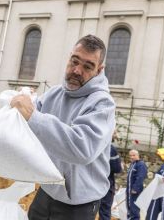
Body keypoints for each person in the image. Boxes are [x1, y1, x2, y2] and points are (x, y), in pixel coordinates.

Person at [11, 34, 116, 220]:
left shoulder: (102, 104)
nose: (76, 70)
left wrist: (32, 116)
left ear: (99, 70)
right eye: (74, 61)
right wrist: (24, 102)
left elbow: (82, 148)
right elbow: (28, 128)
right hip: (47, 192)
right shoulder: (55, 94)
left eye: (87, 66)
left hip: (78, 205)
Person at [99, 139, 123, 220]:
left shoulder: (88, 143)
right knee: (104, 211)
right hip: (105, 185)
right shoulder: (110, 148)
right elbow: (117, 168)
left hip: (88, 184)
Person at [126, 149, 147, 220]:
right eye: (130, 155)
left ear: (138, 155)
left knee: (134, 211)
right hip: (129, 191)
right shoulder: (132, 164)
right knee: (129, 209)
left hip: (135, 192)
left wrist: (135, 189)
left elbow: (140, 177)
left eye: (133, 155)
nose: (131, 157)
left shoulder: (141, 164)